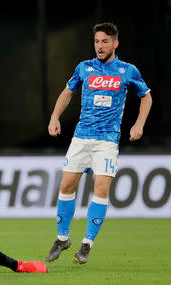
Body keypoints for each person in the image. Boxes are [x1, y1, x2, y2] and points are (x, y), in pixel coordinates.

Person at [45, 22, 152, 264]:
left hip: (107, 141)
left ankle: (87, 243)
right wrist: (54, 117)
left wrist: (139, 124)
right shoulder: (85, 68)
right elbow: (67, 92)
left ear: (115, 43)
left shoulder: (127, 70)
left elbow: (146, 97)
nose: (100, 46)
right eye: (96, 41)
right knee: (66, 187)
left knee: (101, 189)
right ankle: (62, 238)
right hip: (81, 137)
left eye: (105, 41)